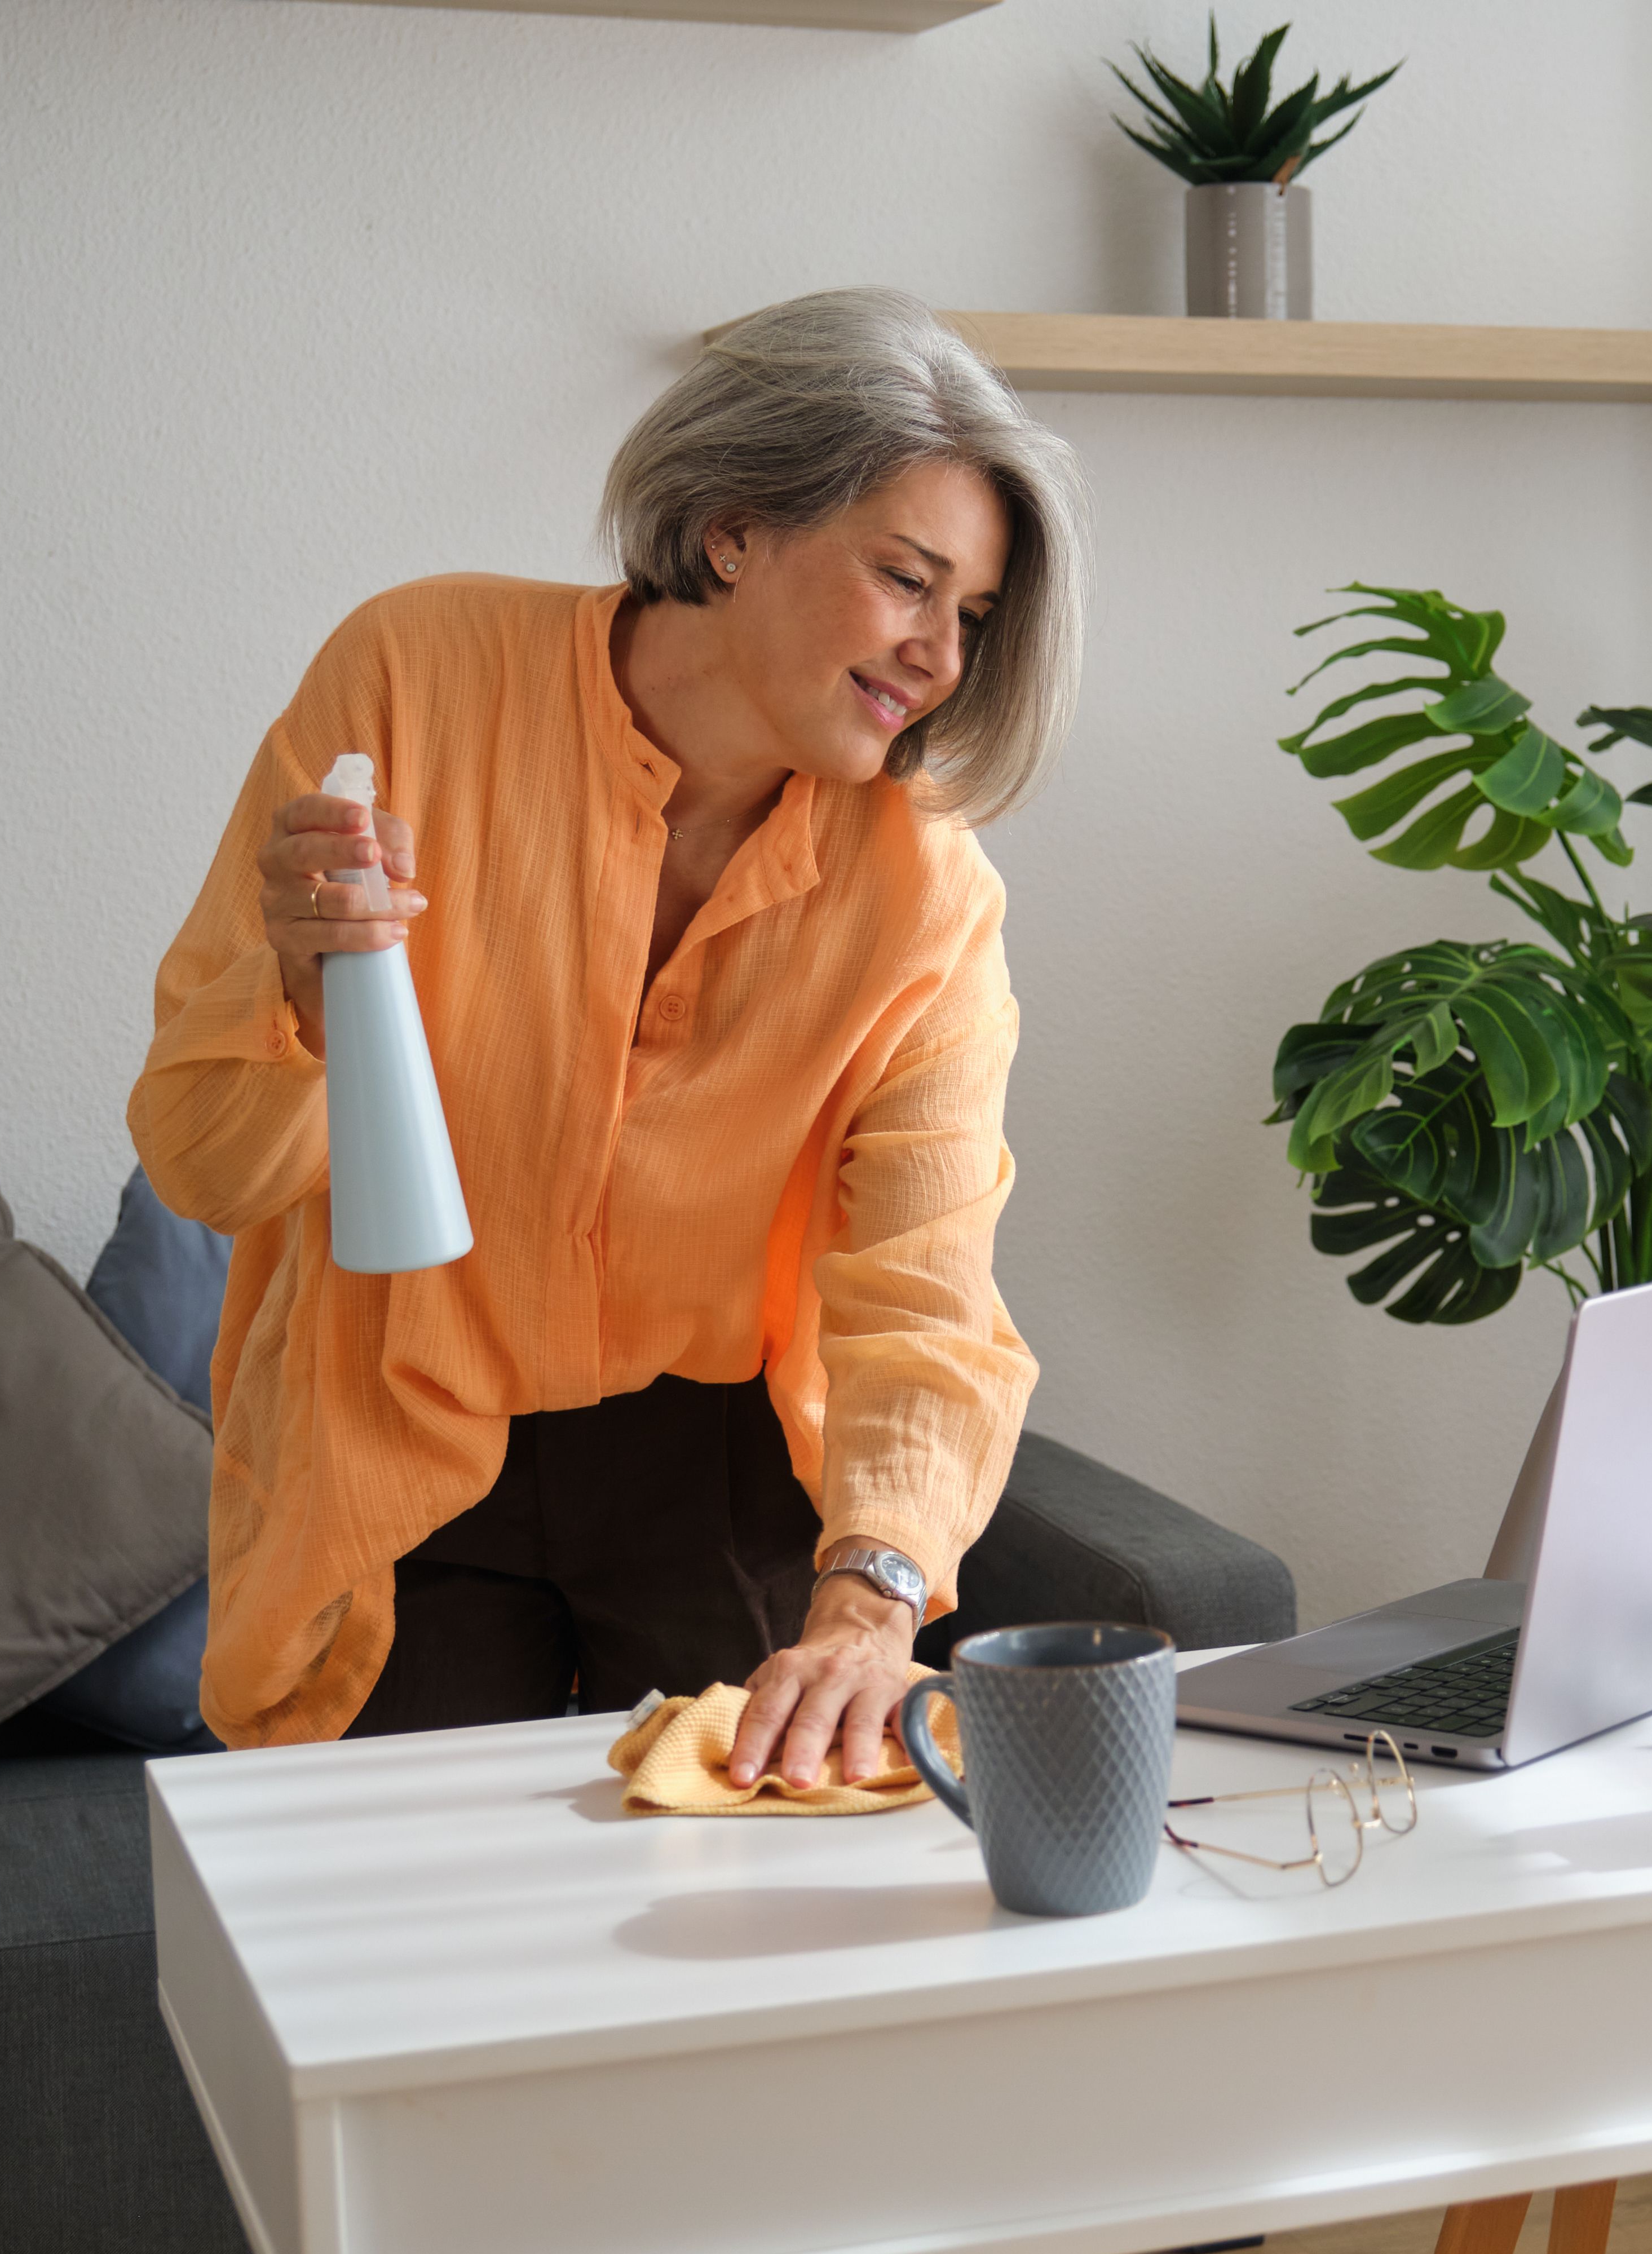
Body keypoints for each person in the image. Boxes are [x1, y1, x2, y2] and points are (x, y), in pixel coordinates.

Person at [130, 287, 1085, 1792]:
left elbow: (926, 1285)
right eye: (908, 578)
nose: (939, 656)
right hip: (401, 1432)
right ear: (733, 527)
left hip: (718, 1466)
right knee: (408, 1958)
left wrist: (873, 1592)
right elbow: (201, 1155)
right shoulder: (413, 677)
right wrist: (309, 996)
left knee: (741, 1952)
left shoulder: (931, 898)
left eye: (968, 616)